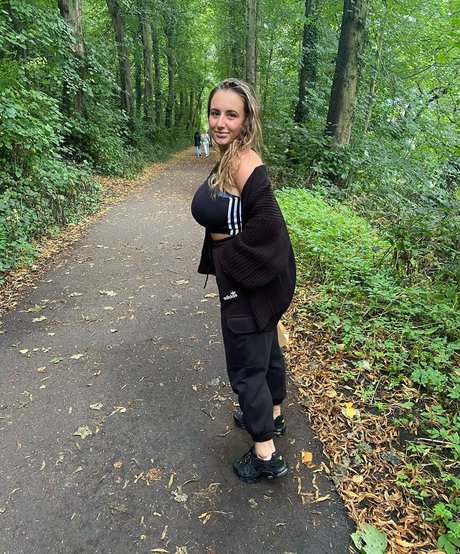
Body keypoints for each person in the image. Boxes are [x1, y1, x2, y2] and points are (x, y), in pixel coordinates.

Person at [191, 79, 296, 484]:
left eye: (231, 115)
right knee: (266, 349)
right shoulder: (230, 156)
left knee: (246, 365)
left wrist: (229, 261)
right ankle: (273, 415)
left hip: (247, 280)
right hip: (251, 279)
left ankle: (265, 455)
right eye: (215, 113)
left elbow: (269, 225)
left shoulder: (243, 162)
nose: (220, 122)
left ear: (246, 119)